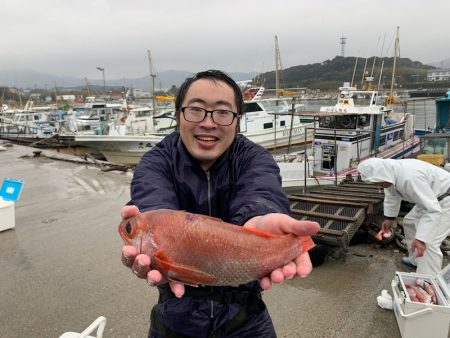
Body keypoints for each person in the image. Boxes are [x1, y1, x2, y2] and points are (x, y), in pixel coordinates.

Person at [120, 69, 320, 338]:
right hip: (174, 317)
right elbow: (152, 204)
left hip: (247, 317)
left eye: (223, 112)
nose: (208, 122)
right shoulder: (156, 162)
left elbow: (262, 191)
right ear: (178, 114)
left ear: (238, 120)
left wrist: (261, 218)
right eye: (196, 109)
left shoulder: (254, 158)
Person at [357, 158, 450, 276]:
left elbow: (433, 210)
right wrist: (389, 219)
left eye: (377, 182)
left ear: (383, 175)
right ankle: (416, 259)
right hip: (432, 197)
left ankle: (428, 282)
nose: (377, 186)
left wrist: (421, 239)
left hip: (446, 199)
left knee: (429, 242)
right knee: (409, 222)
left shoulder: (410, 178)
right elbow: (392, 195)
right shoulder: (390, 174)